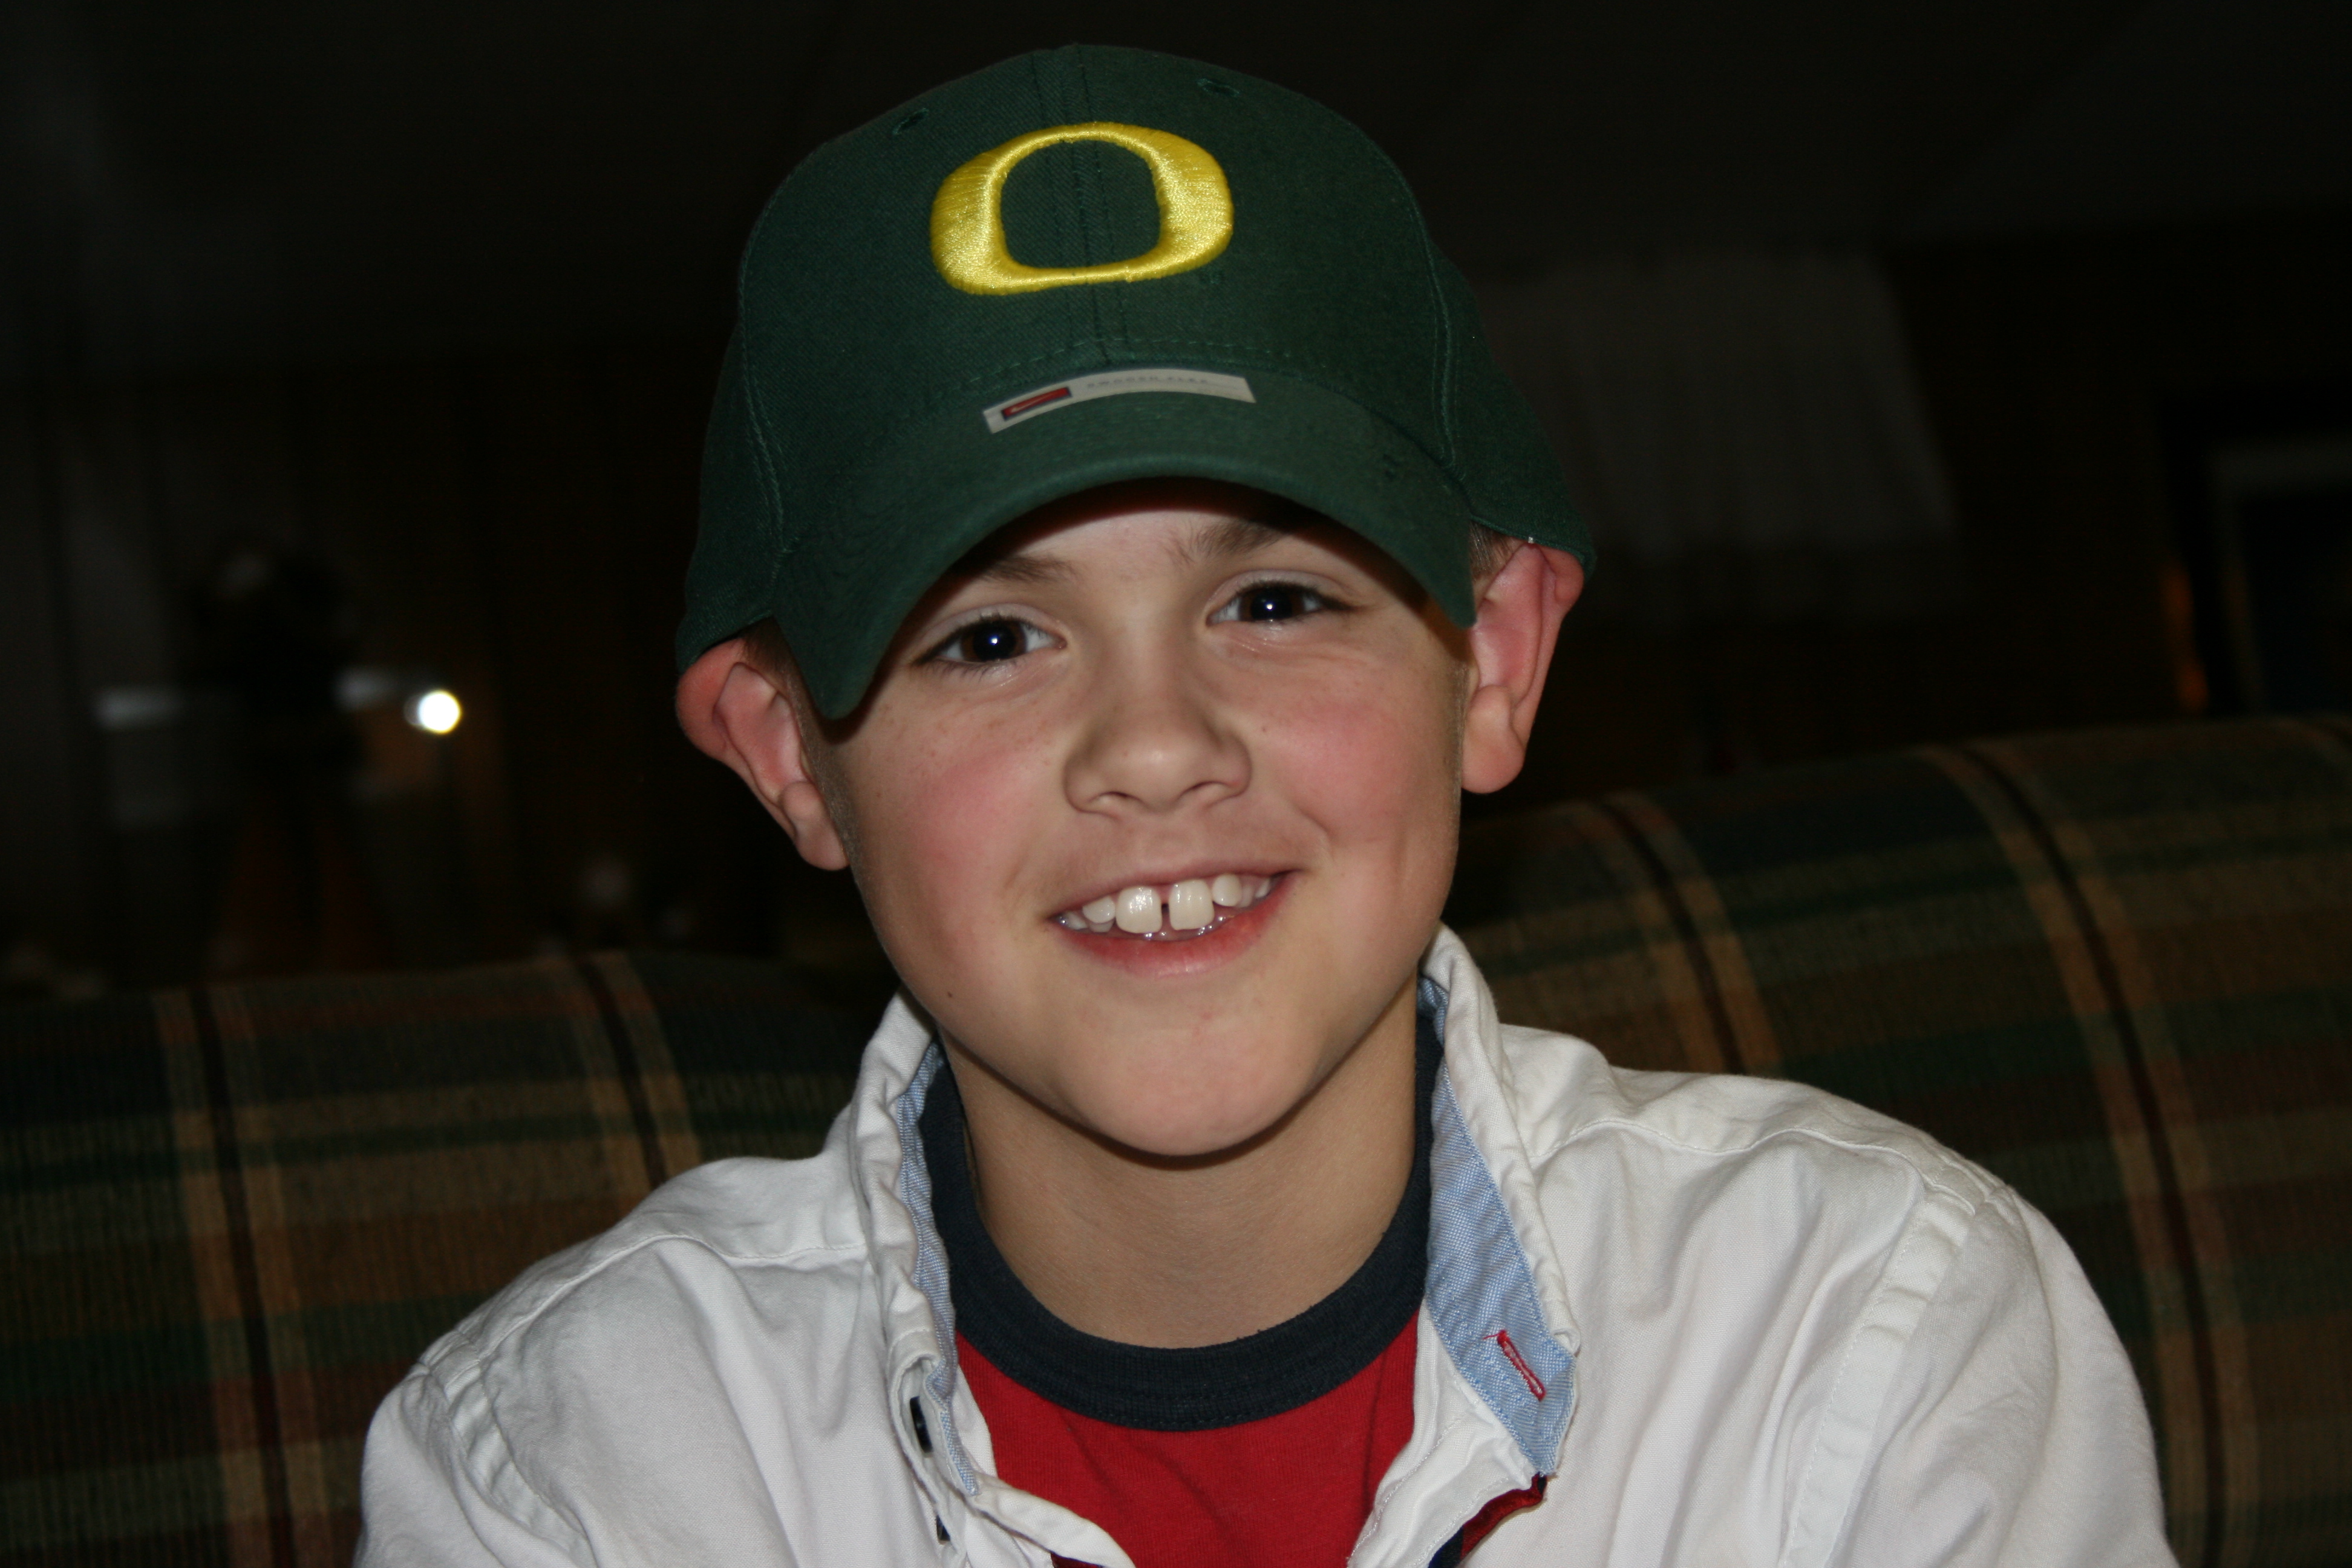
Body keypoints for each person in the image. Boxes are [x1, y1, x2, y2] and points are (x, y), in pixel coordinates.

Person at [356, 44, 2175, 1568]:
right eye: (990, 638)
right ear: (789, 755)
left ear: (1493, 664)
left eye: (1279, 601)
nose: (1156, 748)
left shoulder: (1873, 1335)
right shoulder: (576, 1473)